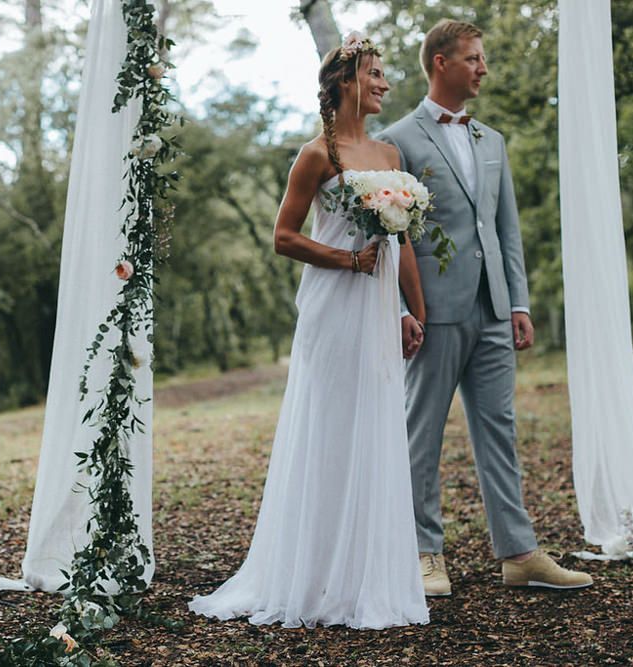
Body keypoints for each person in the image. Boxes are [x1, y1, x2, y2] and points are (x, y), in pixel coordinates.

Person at [188, 32, 429, 629]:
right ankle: (313, 577)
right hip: (333, 305)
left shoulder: (391, 157)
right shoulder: (316, 154)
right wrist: (348, 261)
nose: (385, 84)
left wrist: (411, 312)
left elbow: (402, 248)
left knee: (375, 427)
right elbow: (284, 237)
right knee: (330, 429)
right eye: (375, 73)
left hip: (378, 309)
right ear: (347, 81)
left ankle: (366, 576)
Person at [378, 19, 592, 595]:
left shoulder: (490, 140)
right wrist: (403, 309)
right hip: (433, 313)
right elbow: (389, 237)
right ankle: (422, 552)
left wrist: (516, 301)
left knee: (500, 429)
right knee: (420, 434)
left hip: (493, 309)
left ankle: (520, 552)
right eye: (473, 58)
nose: (483, 68)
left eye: (483, 58)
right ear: (441, 62)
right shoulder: (397, 139)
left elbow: (505, 229)